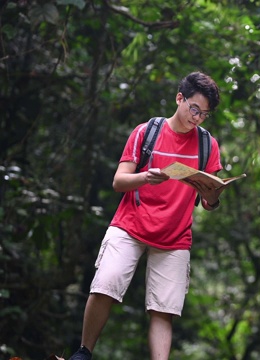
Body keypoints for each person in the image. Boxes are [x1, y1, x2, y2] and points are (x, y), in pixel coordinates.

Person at [69, 72, 224, 360]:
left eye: (205, 114)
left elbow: (208, 201)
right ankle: (83, 352)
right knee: (106, 284)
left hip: (176, 235)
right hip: (131, 224)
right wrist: (144, 178)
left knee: (164, 308)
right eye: (194, 109)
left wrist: (213, 196)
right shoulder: (146, 132)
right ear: (180, 98)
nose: (198, 118)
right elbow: (119, 181)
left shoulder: (207, 145)